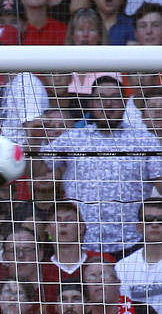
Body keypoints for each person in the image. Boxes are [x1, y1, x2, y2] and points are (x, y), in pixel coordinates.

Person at [43, 76, 162, 256]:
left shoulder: (145, 140)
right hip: (81, 246)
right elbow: (38, 167)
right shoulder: (73, 138)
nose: (108, 104)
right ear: (91, 104)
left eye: (114, 98)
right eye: (100, 98)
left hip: (133, 244)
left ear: (124, 103)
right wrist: (32, 139)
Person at [117, 199, 162, 314]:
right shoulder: (123, 267)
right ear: (139, 227)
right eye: (148, 220)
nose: (155, 224)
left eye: (160, 220)